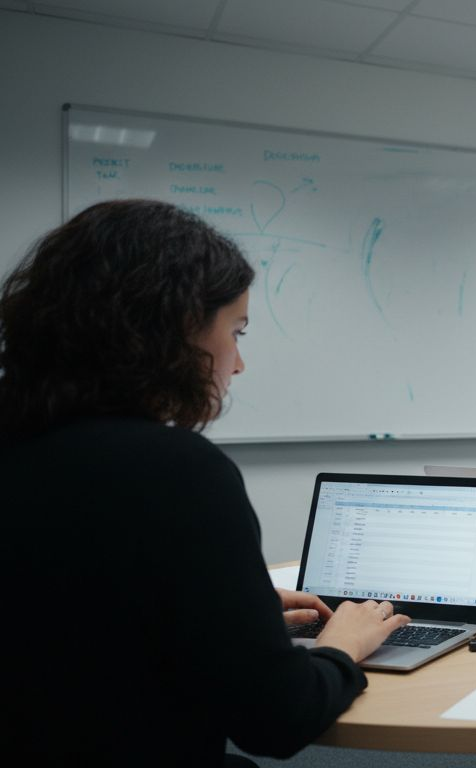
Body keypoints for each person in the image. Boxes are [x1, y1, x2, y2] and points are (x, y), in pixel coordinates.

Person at [0, 200, 411, 765]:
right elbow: (277, 720)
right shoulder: (176, 472)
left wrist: (228, 608)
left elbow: (74, 610)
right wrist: (344, 645)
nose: (237, 363)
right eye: (235, 332)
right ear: (171, 332)